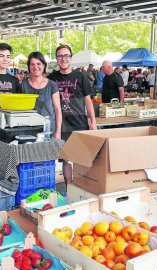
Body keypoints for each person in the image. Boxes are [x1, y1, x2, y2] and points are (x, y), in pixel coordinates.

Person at [48, 44, 96, 187]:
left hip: (80, 123)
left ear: (71, 57)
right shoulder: (51, 78)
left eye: (66, 56)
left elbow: (88, 101)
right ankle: (69, 187)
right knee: (66, 159)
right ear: (57, 59)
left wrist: (93, 121)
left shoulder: (81, 76)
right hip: (61, 125)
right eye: (60, 56)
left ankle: (83, 186)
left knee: (82, 159)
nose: (63, 59)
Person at [21, 51, 62, 139]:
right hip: (28, 132)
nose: (36, 67)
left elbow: (58, 110)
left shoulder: (52, 85)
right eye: (32, 64)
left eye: (38, 63)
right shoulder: (23, 85)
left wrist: (58, 131)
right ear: (29, 66)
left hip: (48, 131)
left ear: (43, 65)